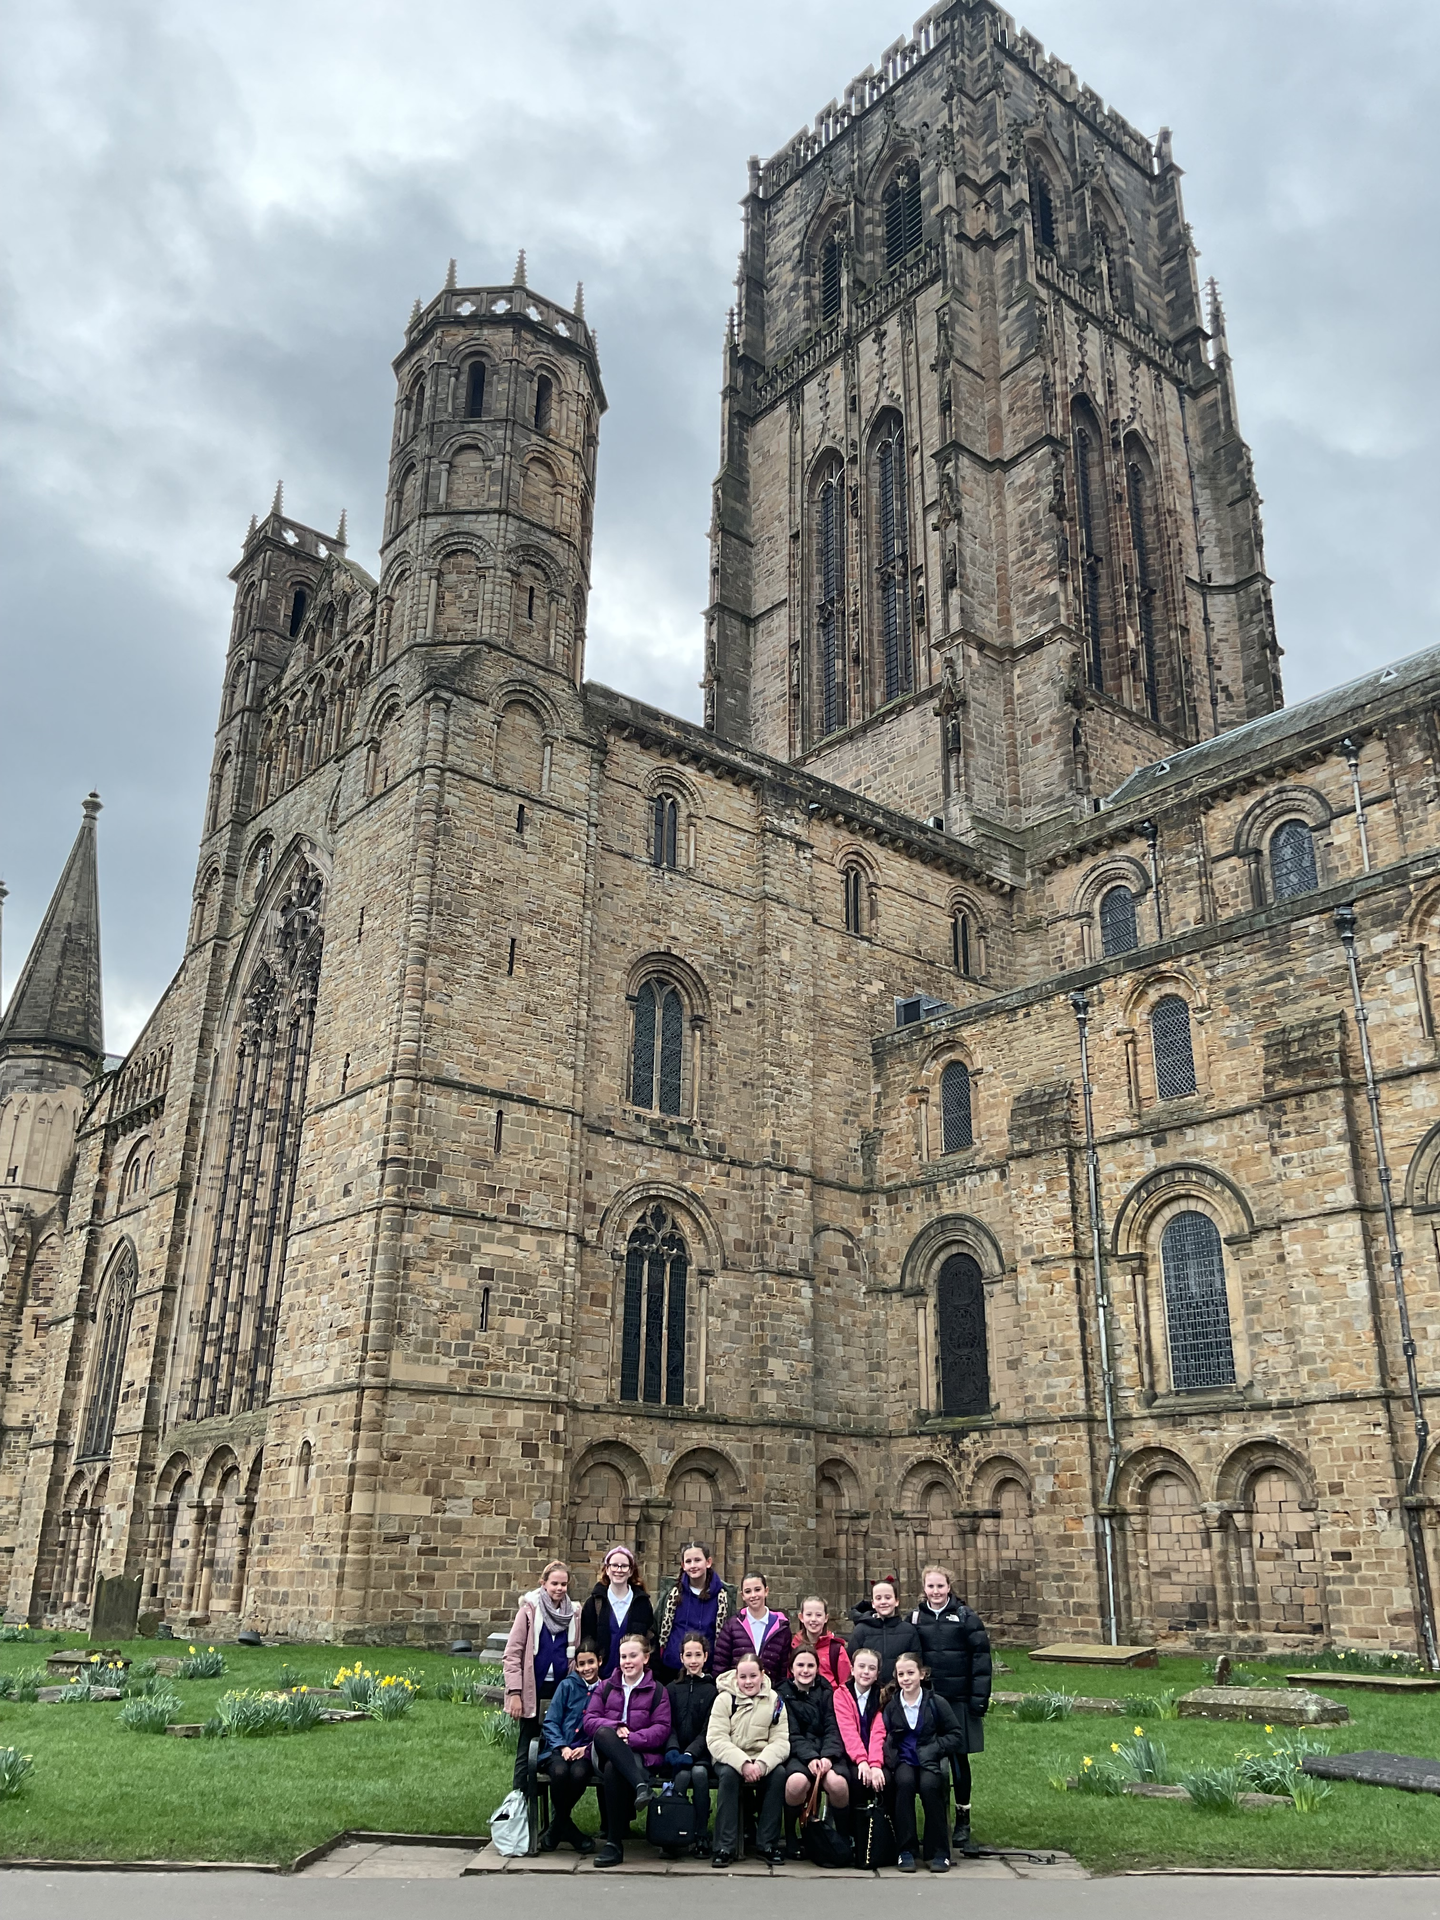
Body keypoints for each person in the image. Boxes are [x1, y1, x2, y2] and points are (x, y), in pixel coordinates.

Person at [908, 1564, 991, 1858]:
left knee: (959, 1761)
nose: (935, 1592)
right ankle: (933, 1819)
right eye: (930, 1587)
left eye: (940, 1586)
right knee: (927, 1760)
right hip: (928, 1700)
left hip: (958, 1699)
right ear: (924, 1589)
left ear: (949, 1587)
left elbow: (981, 1659)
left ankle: (963, 1819)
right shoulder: (915, 1617)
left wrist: (979, 1699)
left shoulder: (966, 1617)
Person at [581, 1630, 673, 1868]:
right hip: (603, 1751)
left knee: (615, 1769)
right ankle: (641, 1786)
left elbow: (661, 1729)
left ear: (645, 1658)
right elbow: (590, 1720)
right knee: (603, 1733)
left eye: (633, 1656)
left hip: (638, 1754)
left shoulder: (659, 1691)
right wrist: (616, 1728)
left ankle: (614, 1845)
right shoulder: (606, 1687)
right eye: (623, 1657)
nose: (627, 1662)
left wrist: (631, 1739)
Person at [880, 1652, 964, 1874]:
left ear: (922, 1674)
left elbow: (955, 1735)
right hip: (904, 1760)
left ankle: (938, 1851)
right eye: (901, 1674)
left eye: (910, 1673)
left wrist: (935, 1748)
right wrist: (891, 1756)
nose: (906, 1678)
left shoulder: (936, 1703)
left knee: (930, 1787)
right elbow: (885, 1736)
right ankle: (905, 1850)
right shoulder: (892, 1706)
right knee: (904, 1785)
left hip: (929, 1759)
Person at [502, 1560, 581, 1791]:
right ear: (543, 1583)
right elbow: (512, 1654)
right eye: (554, 1583)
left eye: (564, 1584)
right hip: (532, 1689)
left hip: (559, 1691)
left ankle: (552, 1809)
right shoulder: (528, 1611)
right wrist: (515, 1692)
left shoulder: (574, 1614)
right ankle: (520, 1802)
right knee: (527, 1748)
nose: (559, 1588)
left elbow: (574, 1654)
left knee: (554, 1748)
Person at [706, 1651, 790, 1867]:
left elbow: (781, 1741)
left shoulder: (775, 1701)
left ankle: (767, 1844)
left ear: (762, 1674)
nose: (748, 1682)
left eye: (753, 1676)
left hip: (762, 1759)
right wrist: (742, 1763)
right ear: (736, 1677)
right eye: (743, 1677)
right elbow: (716, 1739)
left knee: (779, 1774)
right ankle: (725, 1846)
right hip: (730, 1759)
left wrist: (761, 1764)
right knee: (728, 1776)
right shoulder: (724, 1699)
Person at [771, 1645, 848, 1854]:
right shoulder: (781, 1695)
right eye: (800, 1665)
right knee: (796, 1784)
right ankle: (792, 1835)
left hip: (826, 1752)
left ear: (817, 1668)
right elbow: (790, 1733)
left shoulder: (827, 1692)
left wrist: (828, 1757)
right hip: (797, 1753)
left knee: (837, 1784)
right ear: (792, 1668)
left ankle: (843, 1836)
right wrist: (811, 1757)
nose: (805, 1670)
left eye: (810, 1666)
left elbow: (834, 1727)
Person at [536, 1638, 602, 1854]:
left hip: (585, 1751)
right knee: (560, 1771)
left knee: (579, 1773)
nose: (586, 1668)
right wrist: (562, 1747)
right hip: (558, 1749)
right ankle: (569, 1830)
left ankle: (557, 1828)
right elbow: (551, 1721)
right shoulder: (566, 1686)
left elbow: (606, 1725)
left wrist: (587, 1748)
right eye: (581, 1664)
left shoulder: (605, 1689)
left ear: (599, 1661)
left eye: (590, 1662)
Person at [663, 1629, 718, 1853]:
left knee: (699, 1774)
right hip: (676, 1753)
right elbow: (668, 1724)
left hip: (701, 1755)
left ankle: (701, 1833)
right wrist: (675, 1750)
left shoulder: (712, 1690)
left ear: (705, 1656)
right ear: (681, 1658)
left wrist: (691, 1753)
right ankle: (674, 1833)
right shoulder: (671, 1689)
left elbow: (709, 1729)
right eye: (689, 1655)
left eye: (698, 1655)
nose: (693, 1660)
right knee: (683, 1775)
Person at [656, 1541, 735, 1682]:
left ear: (708, 1562)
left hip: (706, 1669)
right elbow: (657, 1626)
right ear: (683, 1565)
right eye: (688, 1561)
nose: (693, 1565)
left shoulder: (722, 1597)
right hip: (672, 1668)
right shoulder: (672, 1593)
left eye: (697, 1560)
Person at [579, 1542, 656, 1677]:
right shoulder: (594, 1603)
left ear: (630, 1571)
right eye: (614, 1565)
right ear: (607, 1569)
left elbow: (650, 1640)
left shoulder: (642, 1604)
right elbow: (587, 1639)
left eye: (624, 1566)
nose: (619, 1570)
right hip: (602, 1677)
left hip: (633, 1677)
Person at [713, 1573, 789, 1683]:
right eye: (748, 1591)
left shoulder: (781, 1628)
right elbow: (720, 1665)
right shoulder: (732, 1626)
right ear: (742, 1595)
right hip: (738, 1693)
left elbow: (783, 1670)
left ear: (766, 1591)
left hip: (769, 1693)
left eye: (757, 1589)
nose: (753, 1595)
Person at [846, 1576, 921, 1685]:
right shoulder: (860, 1630)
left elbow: (916, 1662)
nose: (883, 1602)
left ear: (896, 1601)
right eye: (878, 1598)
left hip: (899, 1690)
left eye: (888, 1597)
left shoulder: (909, 1630)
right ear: (872, 1603)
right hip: (870, 1690)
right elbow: (851, 1662)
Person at [834, 1645, 886, 1798]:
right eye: (861, 1666)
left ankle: (881, 1819)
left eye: (871, 1668)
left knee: (885, 1779)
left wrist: (875, 1764)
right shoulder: (841, 1695)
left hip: (876, 1754)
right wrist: (862, 1761)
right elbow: (847, 1730)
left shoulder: (883, 1696)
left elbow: (879, 1732)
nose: (866, 1672)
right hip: (848, 1754)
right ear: (852, 1669)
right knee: (856, 1779)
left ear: (877, 1674)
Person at [790, 1594, 851, 1688]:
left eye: (818, 1615)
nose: (813, 1619)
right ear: (801, 1617)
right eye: (809, 1615)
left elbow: (845, 1685)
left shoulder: (836, 1650)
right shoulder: (794, 1646)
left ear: (826, 1618)